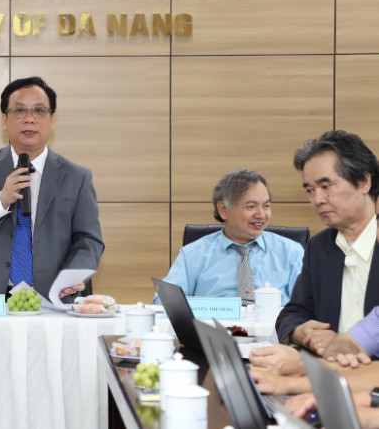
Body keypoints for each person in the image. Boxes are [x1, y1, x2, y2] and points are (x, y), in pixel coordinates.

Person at [0, 76, 104, 299]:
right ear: (4, 120)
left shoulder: (77, 176)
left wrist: (73, 274)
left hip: (53, 296)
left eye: (39, 111)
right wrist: (1, 200)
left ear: (52, 120)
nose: (29, 119)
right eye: (19, 111)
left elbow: (89, 240)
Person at [276, 130, 379, 352]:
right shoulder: (320, 246)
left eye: (326, 187)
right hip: (329, 367)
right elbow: (293, 313)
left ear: (364, 181)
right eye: (310, 190)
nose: (318, 200)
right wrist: (303, 332)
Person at [153, 169, 304, 304]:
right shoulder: (193, 254)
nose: (261, 215)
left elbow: (306, 307)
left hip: (272, 326)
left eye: (266, 206)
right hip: (212, 326)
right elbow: (163, 303)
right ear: (223, 210)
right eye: (251, 206)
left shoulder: (291, 252)